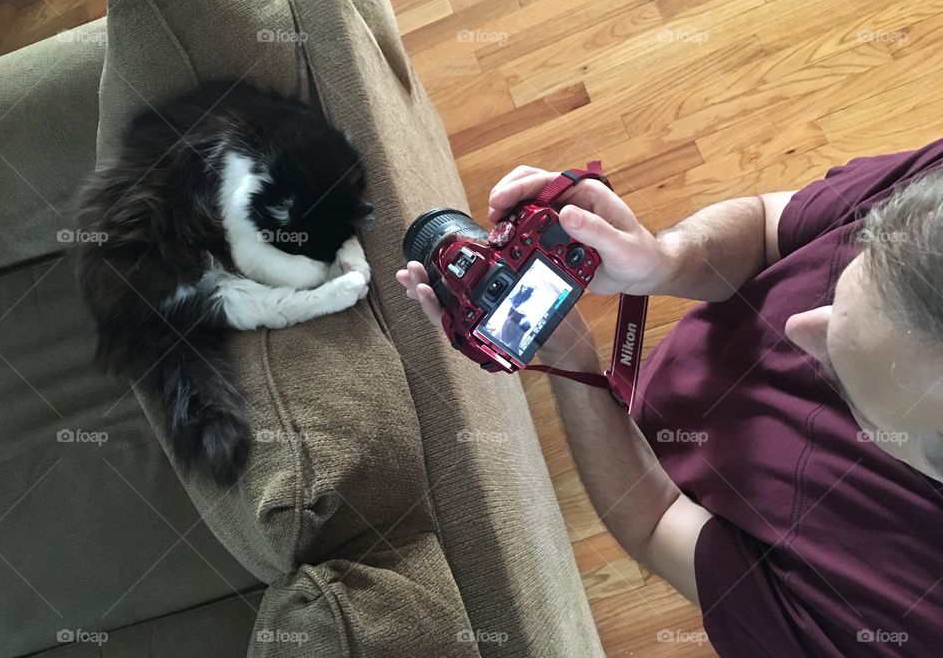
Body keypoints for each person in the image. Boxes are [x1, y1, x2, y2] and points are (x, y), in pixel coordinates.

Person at [396, 144, 943, 657]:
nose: (796, 325)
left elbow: (657, 524)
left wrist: (570, 358)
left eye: (843, 378)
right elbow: (768, 226)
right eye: (851, 276)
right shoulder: (932, 195)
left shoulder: (889, 625)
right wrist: (664, 260)